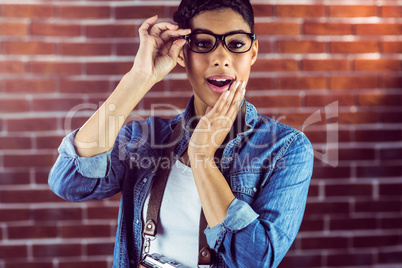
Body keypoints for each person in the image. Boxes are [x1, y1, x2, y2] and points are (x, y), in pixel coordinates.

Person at [48, 0, 314, 267]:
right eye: (202, 43)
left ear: (253, 52)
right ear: (181, 54)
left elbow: (255, 260)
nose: (221, 59)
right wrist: (139, 78)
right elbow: (70, 182)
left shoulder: (286, 148)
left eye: (235, 44)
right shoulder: (147, 136)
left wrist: (202, 156)